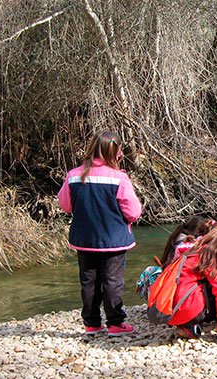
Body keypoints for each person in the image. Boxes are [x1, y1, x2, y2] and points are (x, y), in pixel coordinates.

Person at [58, 130, 142, 336]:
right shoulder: (119, 178)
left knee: (89, 281)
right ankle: (115, 323)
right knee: (112, 281)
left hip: (84, 238)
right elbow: (133, 212)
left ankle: (92, 323)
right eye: (120, 151)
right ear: (114, 153)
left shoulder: (73, 176)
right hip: (114, 240)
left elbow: (66, 205)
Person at [167, 224, 217, 339]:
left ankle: (186, 325)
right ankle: (191, 324)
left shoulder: (194, 251)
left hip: (170, 309)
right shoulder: (213, 260)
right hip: (187, 309)